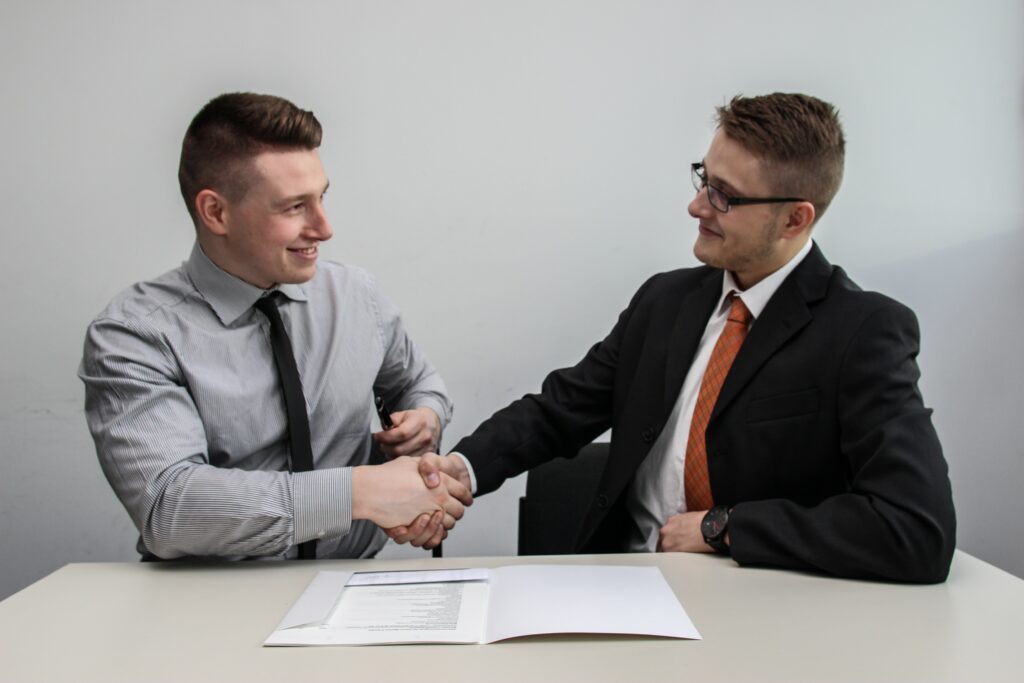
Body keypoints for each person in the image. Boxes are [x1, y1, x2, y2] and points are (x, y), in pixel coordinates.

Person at [404, 93, 956, 583]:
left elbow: (915, 529)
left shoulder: (863, 331)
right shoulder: (665, 302)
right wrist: (462, 469)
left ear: (795, 219)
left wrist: (724, 528)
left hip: (759, 609)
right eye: (703, 180)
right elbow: (560, 411)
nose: (697, 206)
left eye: (724, 196)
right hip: (621, 586)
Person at [80, 92, 469, 560]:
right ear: (215, 212)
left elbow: (418, 384)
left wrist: (423, 419)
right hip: (207, 604)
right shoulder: (134, 335)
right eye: (293, 207)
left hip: (353, 586)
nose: (324, 228)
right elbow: (171, 509)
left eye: (322, 197)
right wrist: (358, 492)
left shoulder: (357, 295)